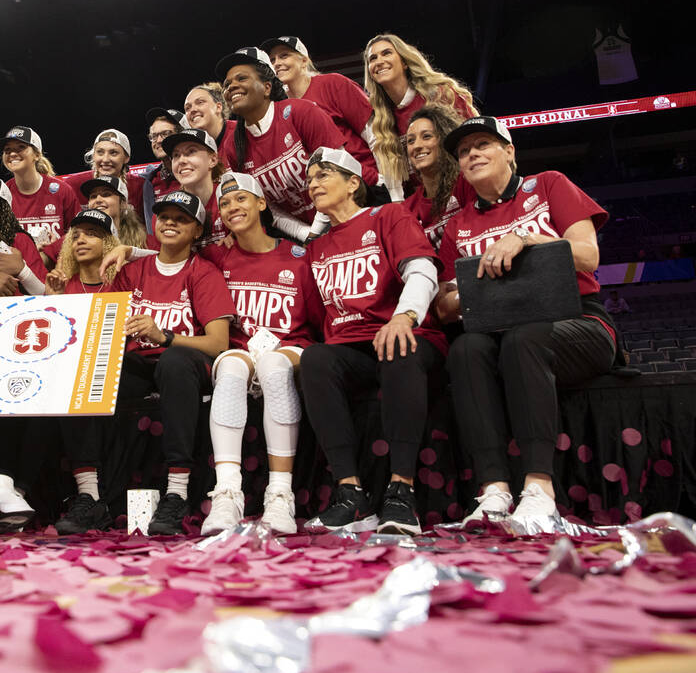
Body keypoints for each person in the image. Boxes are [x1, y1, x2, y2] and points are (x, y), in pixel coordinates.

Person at [434, 116, 616, 529]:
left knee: (522, 339)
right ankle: (494, 490)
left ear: (510, 152)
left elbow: (588, 256)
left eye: (483, 144)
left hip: (579, 321)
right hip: (498, 331)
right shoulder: (458, 224)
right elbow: (445, 307)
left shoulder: (549, 184)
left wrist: (528, 240)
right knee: (465, 347)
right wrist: (475, 287)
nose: (472, 154)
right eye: (464, 152)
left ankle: (539, 489)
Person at [56, 190, 234, 536]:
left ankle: (177, 493)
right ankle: (90, 497)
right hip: (138, 365)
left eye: (181, 219)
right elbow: (104, 327)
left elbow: (217, 343)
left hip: (185, 365)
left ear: (198, 231)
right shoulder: (131, 270)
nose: (170, 222)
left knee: (174, 361)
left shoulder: (203, 272)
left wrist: (164, 336)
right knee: (84, 368)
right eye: (165, 216)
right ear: (154, 222)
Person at [300, 148, 444, 536]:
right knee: (314, 359)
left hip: (405, 333)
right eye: (310, 178)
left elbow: (422, 267)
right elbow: (316, 319)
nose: (313, 183)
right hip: (350, 348)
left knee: (398, 350)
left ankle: (402, 491)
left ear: (353, 183)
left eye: (324, 174)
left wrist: (404, 315)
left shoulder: (389, 216)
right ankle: (350, 495)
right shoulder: (315, 248)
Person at [0, 209, 124, 534]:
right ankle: (4, 484)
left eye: (93, 233)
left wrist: (127, 253)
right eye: (76, 234)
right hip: (53, 373)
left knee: (60, 385)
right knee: (9, 380)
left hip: (104, 371)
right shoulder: (61, 284)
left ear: (112, 244)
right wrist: (54, 297)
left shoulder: (124, 279)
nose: (82, 239)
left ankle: (27, 490)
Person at [198, 172, 319, 535]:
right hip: (240, 351)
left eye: (241, 199)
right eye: (225, 203)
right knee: (233, 369)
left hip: (289, 348)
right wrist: (129, 250)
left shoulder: (298, 257)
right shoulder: (215, 257)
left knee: (273, 365)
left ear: (261, 203)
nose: (233, 207)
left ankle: (280, 494)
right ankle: (227, 493)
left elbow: (315, 320)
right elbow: (169, 257)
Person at [215, 47, 349, 242]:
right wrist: (306, 234)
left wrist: (319, 227)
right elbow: (267, 205)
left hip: (345, 215)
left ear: (267, 87)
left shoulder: (300, 112)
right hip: (303, 237)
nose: (232, 87)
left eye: (242, 78)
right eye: (227, 84)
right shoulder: (233, 147)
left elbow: (340, 170)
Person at [363, 33, 477, 201]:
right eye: (372, 58)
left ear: (404, 62)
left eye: (386, 53)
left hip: (463, 192)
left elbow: (474, 143)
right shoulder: (380, 118)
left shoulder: (441, 95)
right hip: (423, 205)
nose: (379, 61)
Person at [262, 36, 379, 188]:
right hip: (326, 189)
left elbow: (375, 134)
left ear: (304, 61)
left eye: (284, 55)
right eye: (272, 60)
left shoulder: (333, 84)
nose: (277, 63)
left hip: (365, 179)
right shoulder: (278, 107)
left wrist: (389, 185)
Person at [401, 105, 473, 248]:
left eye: (426, 136)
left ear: (444, 139)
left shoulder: (467, 182)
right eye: (411, 141)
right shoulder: (407, 209)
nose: (417, 146)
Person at [0, 126, 83, 248]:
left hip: (57, 265)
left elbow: (79, 232)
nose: (12, 153)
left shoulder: (62, 191)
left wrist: (56, 247)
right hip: (18, 265)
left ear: (37, 154)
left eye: (21, 147)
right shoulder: (2, 193)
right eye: (7, 150)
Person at [158, 129, 230, 248]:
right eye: (176, 155)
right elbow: (159, 258)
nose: (181, 160)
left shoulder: (234, 200)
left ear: (212, 160)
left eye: (191, 152)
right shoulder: (165, 212)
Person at [63, 129, 146, 217]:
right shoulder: (74, 184)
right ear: (94, 155)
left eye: (113, 153)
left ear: (126, 158)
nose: (105, 159)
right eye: (100, 152)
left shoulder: (140, 185)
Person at [142, 108, 185, 227]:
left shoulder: (201, 172)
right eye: (154, 136)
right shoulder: (150, 181)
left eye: (166, 134)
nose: (159, 140)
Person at [183, 82, 236, 148]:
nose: (192, 110)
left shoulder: (243, 132)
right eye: (187, 108)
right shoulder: (189, 148)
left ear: (218, 107)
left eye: (200, 102)